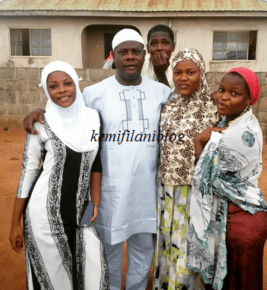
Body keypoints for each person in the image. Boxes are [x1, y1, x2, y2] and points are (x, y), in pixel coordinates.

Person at [23, 29, 173, 290]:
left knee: (142, 252)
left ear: (143, 55)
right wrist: (40, 110)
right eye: (123, 52)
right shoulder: (94, 94)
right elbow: (66, 107)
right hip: (109, 192)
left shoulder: (162, 93)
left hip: (146, 191)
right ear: (113, 56)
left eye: (136, 52)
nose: (130, 57)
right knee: (108, 252)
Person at [9, 61, 109, 290]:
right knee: (53, 280)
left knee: (88, 274)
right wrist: (15, 223)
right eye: (53, 86)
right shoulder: (41, 124)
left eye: (67, 83)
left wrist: (95, 201)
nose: (62, 90)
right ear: (46, 90)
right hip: (44, 216)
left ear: (76, 84)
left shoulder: (94, 118)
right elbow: (28, 172)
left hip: (78, 213)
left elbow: (96, 163)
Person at [188, 67, 267, 290]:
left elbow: (204, 177)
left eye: (234, 94)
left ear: (249, 100)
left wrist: (200, 142)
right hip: (239, 216)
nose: (224, 97)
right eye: (222, 90)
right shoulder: (237, 121)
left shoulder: (238, 135)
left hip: (241, 224)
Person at [154, 48, 219, 290]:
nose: (183, 78)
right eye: (178, 72)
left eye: (190, 72)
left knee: (189, 246)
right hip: (168, 189)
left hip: (197, 191)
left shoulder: (215, 107)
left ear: (201, 74)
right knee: (170, 242)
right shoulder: (168, 105)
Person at [142, 24, 175, 89]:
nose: (159, 48)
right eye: (154, 43)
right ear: (148, 48)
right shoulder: (141, 64)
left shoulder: (179, 65)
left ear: (173, 47)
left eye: (165, 43)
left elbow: (173, 98)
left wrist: (161, 75)